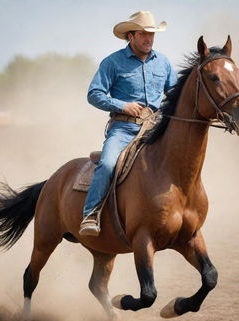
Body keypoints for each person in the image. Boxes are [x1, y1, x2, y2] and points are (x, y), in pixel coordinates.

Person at [79, 10, 177, 236]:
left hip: (155, 126)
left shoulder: (163, 62)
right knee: (107, 164)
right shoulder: (112, 63)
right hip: (123, 128)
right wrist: (122, 105)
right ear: (130, 36)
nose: (149, 39)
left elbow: (173, 93)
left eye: (152, 34)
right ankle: (90, 213)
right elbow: (94, 94)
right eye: (143, 34)